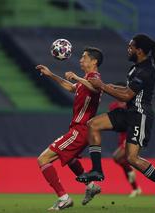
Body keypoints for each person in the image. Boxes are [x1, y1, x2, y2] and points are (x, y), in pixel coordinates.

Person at [76, 34, 155, 209]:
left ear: (139, 50)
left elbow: (126, 95)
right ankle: (97, 170)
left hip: (140, 115)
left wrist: (101, 86)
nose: (128, 49)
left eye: (131, 47)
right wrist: (104, 84)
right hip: (129, 112)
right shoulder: (135, 68)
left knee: (132, 158)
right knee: (93, 124)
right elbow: (125, 88)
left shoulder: (145, 70)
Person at [36, 47, 103, 210]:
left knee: (43, 159)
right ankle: (91, 186)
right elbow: (71, 87)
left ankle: (64, 198)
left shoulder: (94, 78)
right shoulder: (86, 80)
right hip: (79, 129)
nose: (80, 60)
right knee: (70, 158)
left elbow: (96, 88)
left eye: (84, 57)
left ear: (94, 61)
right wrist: (51, 74)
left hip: (81, 129)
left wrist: (77, 77)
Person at [109, 99, 141, 197]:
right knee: (123, 163)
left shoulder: (132, 106)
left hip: (131, 136)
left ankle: (131, 168)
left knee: (116, 157)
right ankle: (135, 188)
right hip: (122, 136)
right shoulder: (114, 106)